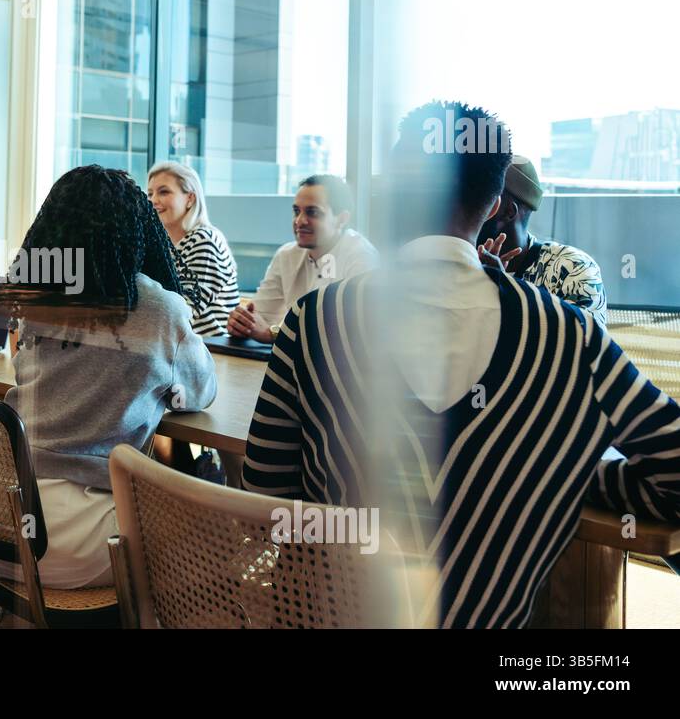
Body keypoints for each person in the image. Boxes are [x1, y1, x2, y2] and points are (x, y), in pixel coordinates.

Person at [241, 100, 680, 627]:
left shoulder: (311, 321)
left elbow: (265, 496)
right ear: (496, 202)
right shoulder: (572, 334)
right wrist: (565, 468)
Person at [0, 164, 217, 589]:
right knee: (207, 502)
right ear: (138, 230)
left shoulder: (37, 294)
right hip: (83, 543)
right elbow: (200, 392)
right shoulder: (160, 309)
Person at [227, 174, 378, 343]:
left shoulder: (360, 258)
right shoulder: (287, 255)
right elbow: (259, 315)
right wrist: (242, 323)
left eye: (313, 212)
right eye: (296, 211)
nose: (300, 221)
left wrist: (273, 333)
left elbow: (349, 335)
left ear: (342, 219)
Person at [476, 156, 607, 327]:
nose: (469, 206)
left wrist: (507, 293)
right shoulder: (460, 261)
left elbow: (584, 345)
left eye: (481, 198)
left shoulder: (570, 269)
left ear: (508, 211)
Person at [146, 161, 238, 336]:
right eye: (150, 193)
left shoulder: (204, 240)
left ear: (190, 198)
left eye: (163, 192)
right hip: (177, 347)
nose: (153, 200)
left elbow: (185, 312)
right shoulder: (164, 245)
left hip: (211, 350)